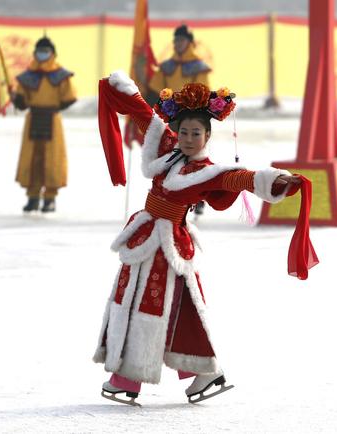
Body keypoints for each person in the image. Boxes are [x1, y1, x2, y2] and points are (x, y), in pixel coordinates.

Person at [93, 72, 302, 405]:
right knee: (173, 306)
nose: (189, 138)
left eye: (196, 133)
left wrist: (274, 180)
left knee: (152, 305)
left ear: (207, 136)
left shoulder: (206, 171)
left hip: (168, 244)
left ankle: (130, 377)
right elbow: (145, 117)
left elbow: (238, 179)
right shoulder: (167, 150)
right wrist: (124, 89)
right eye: (185, 132)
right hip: (147, 237)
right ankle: (201, 371)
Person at [148, 24, 211, 215]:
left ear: (189, 42)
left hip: (192, 117)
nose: (178, 44)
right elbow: (154, 91)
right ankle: (172, 192)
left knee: (195, 157)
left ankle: (198, 196)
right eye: (175, 40)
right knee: (171, 154)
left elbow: (203, 92)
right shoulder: (167, 67)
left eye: (181, 40)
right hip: (172, 117)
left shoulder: (198, 66)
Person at [11, 36, 77, 213]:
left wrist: (53, 108)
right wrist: (17, 99)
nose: (42, 54)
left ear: (53, 54)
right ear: (34, 54)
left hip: (51, 120)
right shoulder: (27, 76)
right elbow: (22, 101)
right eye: (39, 51)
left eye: (46, 51)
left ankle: (50, 198)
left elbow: (69, 98)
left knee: (52, 159)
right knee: (32, 158)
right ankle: (32, 197)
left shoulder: (61, 75)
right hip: (33, 118)